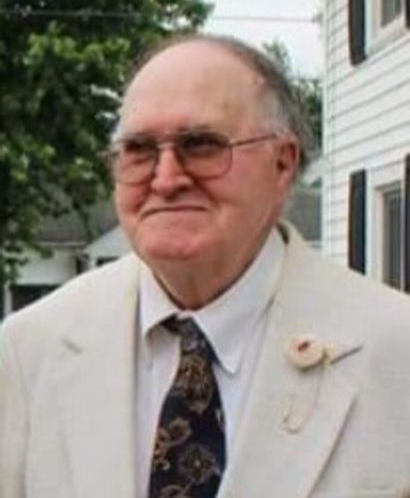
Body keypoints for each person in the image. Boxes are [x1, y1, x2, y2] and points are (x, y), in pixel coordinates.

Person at [1, 34, 410, 498]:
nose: (166, 179)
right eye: (139, 149)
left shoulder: (396, 352)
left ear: (282, 164)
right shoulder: (30, 350)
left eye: (200, 145)